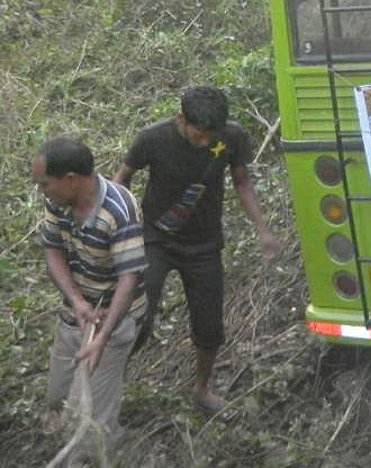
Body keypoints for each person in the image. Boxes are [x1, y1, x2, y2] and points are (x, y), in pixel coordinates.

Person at [114, 85, 280, 413]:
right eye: (198, 134)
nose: (204, 142)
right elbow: (121, 180)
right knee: (137, 316)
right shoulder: (152, 138)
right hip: (155, 240)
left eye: (210, 136)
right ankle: (109, 381)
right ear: (181, 119)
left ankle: (202, 389)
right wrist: (118, 229)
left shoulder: (232, 137)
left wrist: (263, 231)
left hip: (204, 244)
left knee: (209, 325)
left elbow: (242, 182)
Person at [34, 135, 146, 461]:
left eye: (45, 184)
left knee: (95, 415)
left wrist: (102, 338)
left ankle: (98, 453)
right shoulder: (58, 200)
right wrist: (77, 301)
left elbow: (130, 278)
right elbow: (52, 250)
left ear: (70, 179)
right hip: (76, 313)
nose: (42, 191)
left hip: (116, 320)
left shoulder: (118, 210)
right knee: (58, 398)